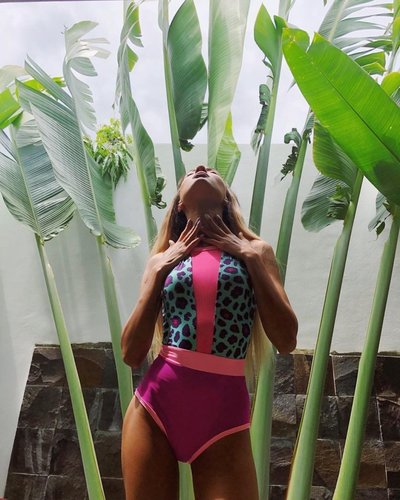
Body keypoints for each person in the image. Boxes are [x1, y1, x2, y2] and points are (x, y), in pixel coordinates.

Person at [120, 164, 298, 500]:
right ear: (179, 205)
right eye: (189, 173)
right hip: (156, 405)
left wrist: (249, 257)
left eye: (213, 171)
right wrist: (159, 271)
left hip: (223, 416)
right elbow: (131, 353)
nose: (201, 168)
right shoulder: (161, 259)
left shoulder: (257, 251)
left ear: (227, 199)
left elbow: (286, 339)